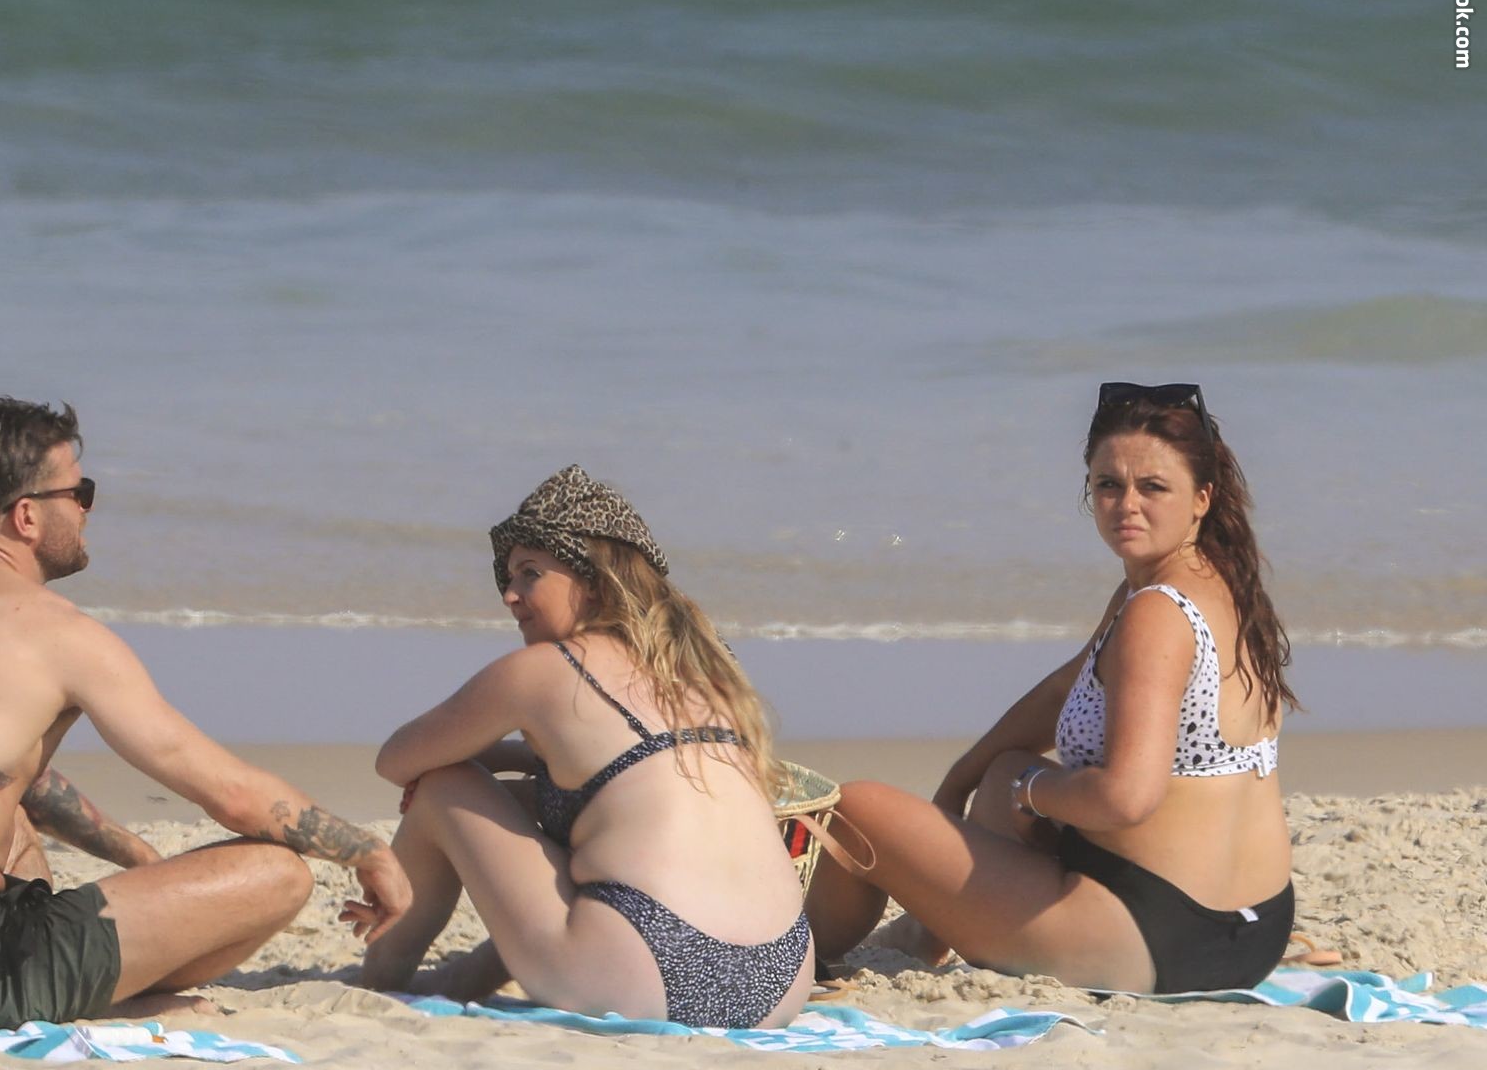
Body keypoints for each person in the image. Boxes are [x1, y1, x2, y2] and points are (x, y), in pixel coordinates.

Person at [0, 398, 410, 1029]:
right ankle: (110, 1001)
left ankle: (79, 984)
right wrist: (369, 853)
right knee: (279, 873)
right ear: (27, 516)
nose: (87, 510)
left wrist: (138, 856)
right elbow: (231, 795)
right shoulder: (53, 631)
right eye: (79, 492)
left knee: (4, 819)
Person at [805, 383, 1297, 994]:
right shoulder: (1220, 583)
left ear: (1202, 498)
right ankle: (928, 930)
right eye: (1108, 485)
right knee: (1003, 769)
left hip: (1159, 939)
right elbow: (1065, 688)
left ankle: (791, 958)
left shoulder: (1156, 614)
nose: (1127, 505)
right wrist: (964, 778)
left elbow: (1126, 800)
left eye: (1153, 487)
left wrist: (1033, 792)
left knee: (854, 809)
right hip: (1254, 930)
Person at [355, 465, 813, 1029]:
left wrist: (471, 765)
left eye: (529, 574)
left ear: (593, 580)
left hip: (648, 968)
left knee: (443, 785)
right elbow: (618, 775)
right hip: (780, 979)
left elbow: (396, 760)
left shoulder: (543, 670)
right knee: (566, 809)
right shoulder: (703, 674)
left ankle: (382, 976)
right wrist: (519, 767)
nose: (510, 595)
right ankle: (461, 979)